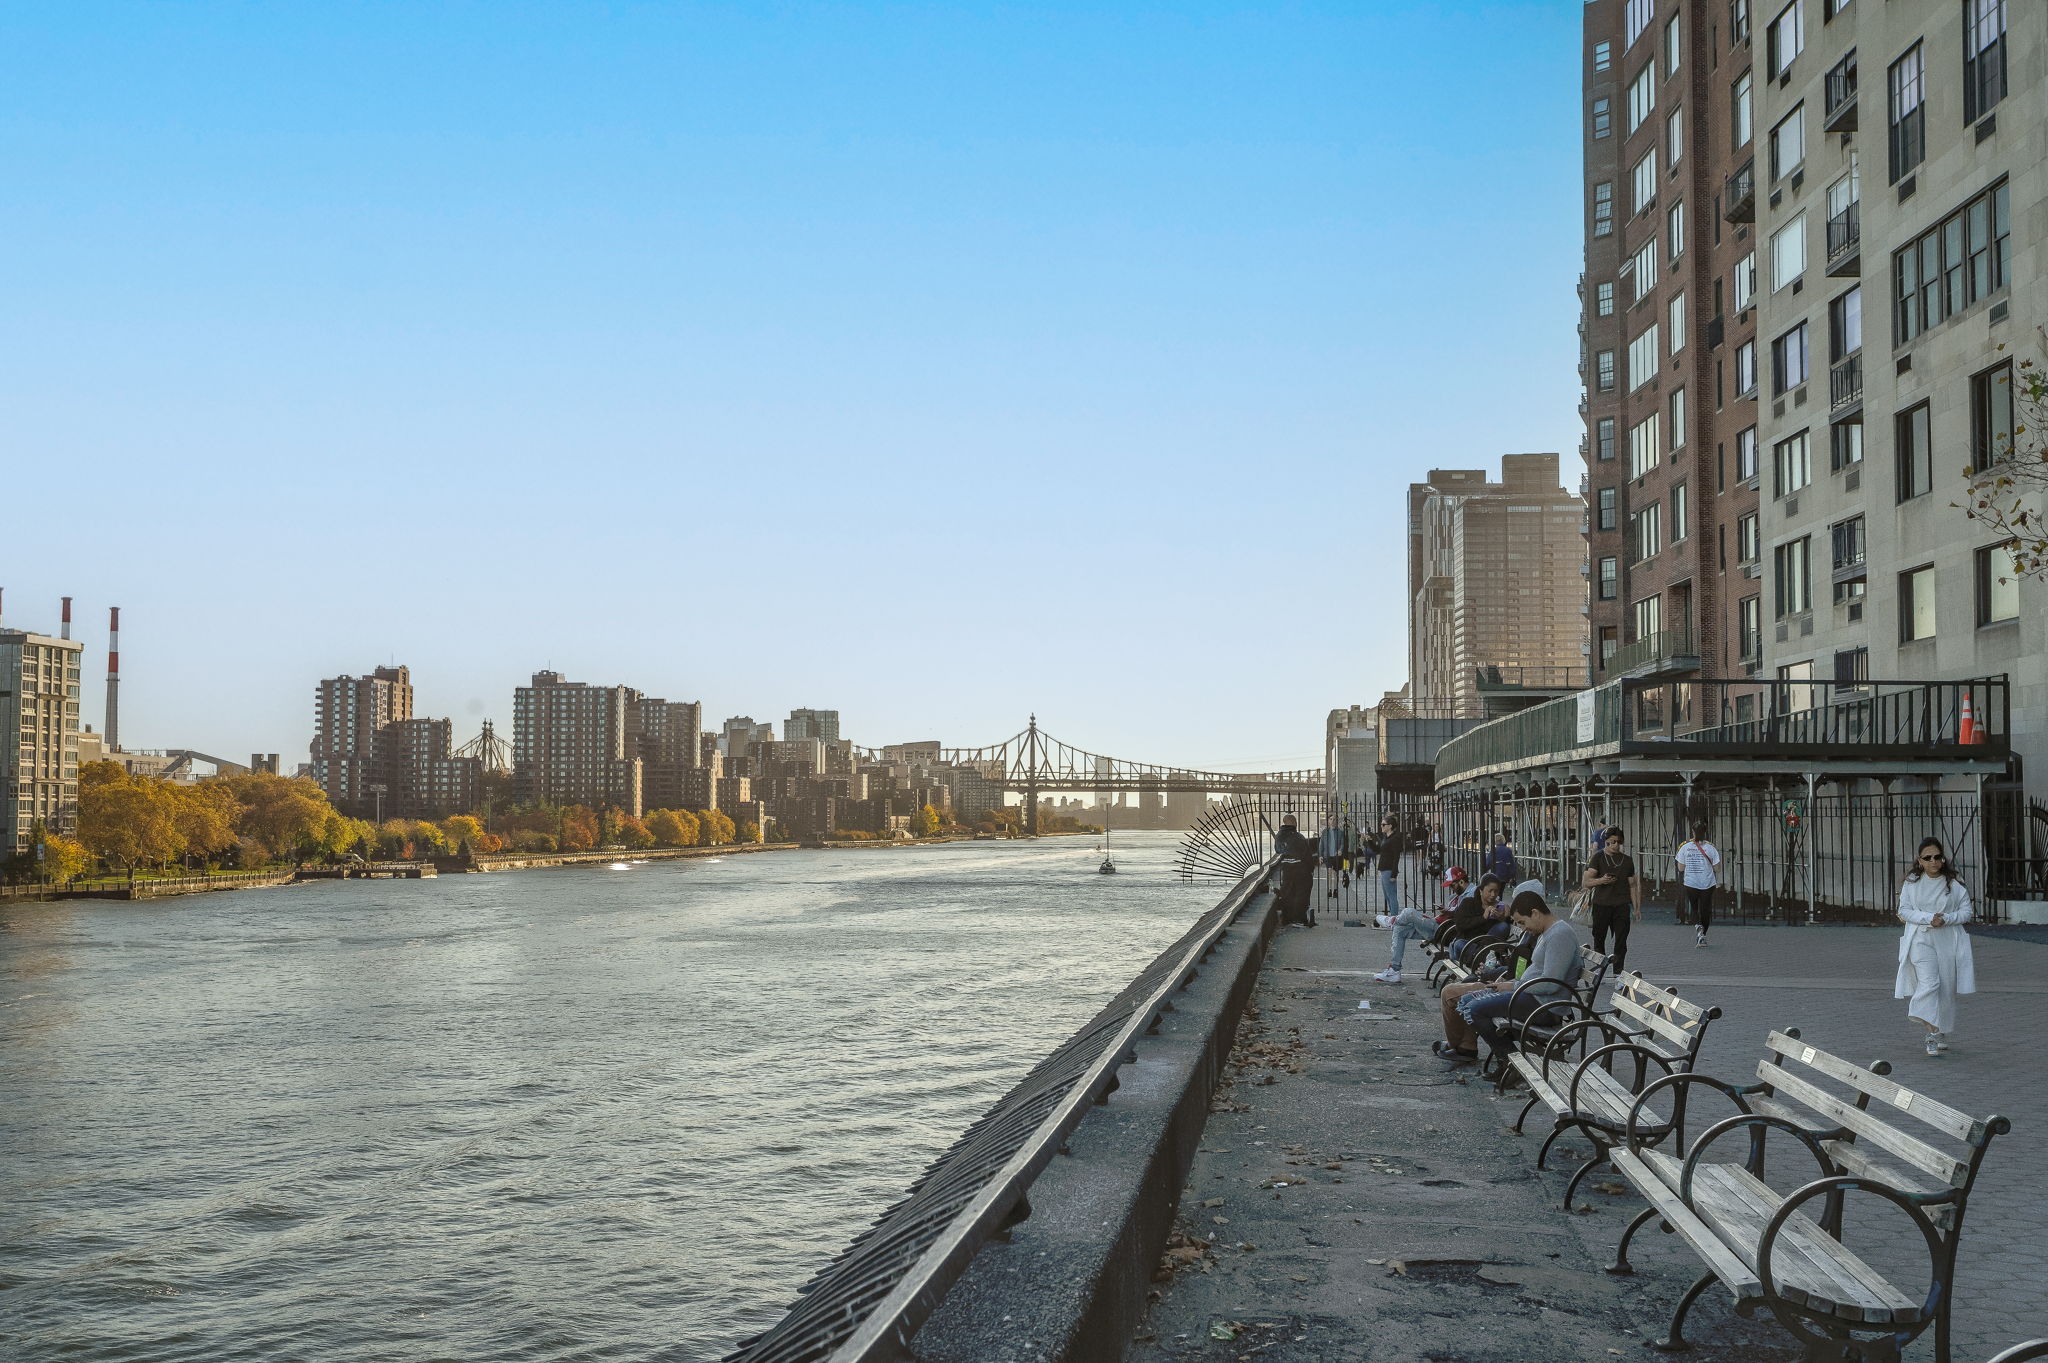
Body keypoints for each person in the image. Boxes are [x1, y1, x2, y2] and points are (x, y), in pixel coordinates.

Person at [1451, 891, 1587, 1065]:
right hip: (1532, 998)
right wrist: (1511, 983)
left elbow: (1551, 984)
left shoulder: (1560, 935)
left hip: (1545, 1007)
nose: (1523, 928)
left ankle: (1510, 1061)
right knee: (1467, 1000)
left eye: (1522, 922)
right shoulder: (1548, 932)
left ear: (1535, 913)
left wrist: (1513, 986)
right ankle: (1510, 1060)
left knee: (1475, 1009)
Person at [1895, 836, 1976, 1056]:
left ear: (1943, 858)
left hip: (1947, 941)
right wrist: (1928, 918)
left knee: (1946, 988)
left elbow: (1966, 912)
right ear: (1919, 860)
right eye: (1928, 858)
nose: (1933, 861)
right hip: (1920, 940)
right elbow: (1904, 911)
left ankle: (1940, 1031)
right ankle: (1930, 1033)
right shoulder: (1912, 883)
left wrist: (1946, 919)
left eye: (1937, 857)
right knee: (1930, 983)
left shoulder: (1954, 883)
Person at [1372, 872, 1501, 985]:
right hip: (1439, 925)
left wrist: (1496, 913)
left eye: (1452, 885)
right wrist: (1447, 911)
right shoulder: (1457, 896)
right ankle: (1394, 970)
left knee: (1409, 912)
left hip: (1443, 930)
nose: (1451, 888)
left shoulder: (1473, 895)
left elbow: (1464, 919)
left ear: (1461, 882)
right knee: (1400, 930)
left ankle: (1392, 920)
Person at [1581, 826, 1642, 973]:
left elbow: (1633, 885)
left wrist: (1637, 908)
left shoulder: (1627, 860)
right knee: (1599, 939)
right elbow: (1586, 883)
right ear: (1606, 841)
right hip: (1601, 904)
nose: (1615, 845)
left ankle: (1618, 972)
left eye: (1619, 842)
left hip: (1621, 905)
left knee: (1621, 941)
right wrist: (1601, 880)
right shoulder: (1598, 857)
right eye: (1612, 842)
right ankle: (1600, 971)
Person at [1673, 821, 1722, 947]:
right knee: (1705, 909)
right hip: (1707, 883)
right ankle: (1703, 935)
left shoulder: (1684, 846)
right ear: (1705, 832)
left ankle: (1697, 926)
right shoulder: (1711, 847)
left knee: (1694, 908)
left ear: (1693, 832)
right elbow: (1717, 868)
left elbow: (1681, 868)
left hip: (1691, 882)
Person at [1272, 815, 1318, 927]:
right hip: (1301, 869)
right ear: (1292, 822)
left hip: (1286, 868)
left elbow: (1278, 850)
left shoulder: (1279, 837)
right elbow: (1306, 854)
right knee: (1301, 894)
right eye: (1295, 821)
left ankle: (1287, 918)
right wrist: (1311, 868)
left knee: (1287, 893)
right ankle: (1299, 919)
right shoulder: (1298, 837)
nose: (1296, 823)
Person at [1374, 815, 1404, 919]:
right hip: (1383, 869)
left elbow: (1396, 857)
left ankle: (1394, 918)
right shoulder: (1385, 838)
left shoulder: (1395, 839)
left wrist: (1394, 874)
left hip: (1389, 869)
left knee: (1391, 895)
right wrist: (1369, 841)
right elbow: (1378, 850)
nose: (1381, 826)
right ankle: (1393, 917)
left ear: (1390, 826)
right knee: (1387, 895)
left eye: (1383, 824)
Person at [1318, 817, 1347, 900]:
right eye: (1331, 819)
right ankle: (1329, 890)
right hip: (1327, 856)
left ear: (1336, 821)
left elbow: (1342, 843)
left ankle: (1335, 890)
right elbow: (1321, 844)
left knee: (1336, 873)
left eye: (1334, 819)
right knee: (1329, 872)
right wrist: (1320, 855)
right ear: (1328, 821)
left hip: (1336, 856)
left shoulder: (1340, 832)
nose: (1333, 821)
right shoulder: (1324, 832)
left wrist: (1340, 850)